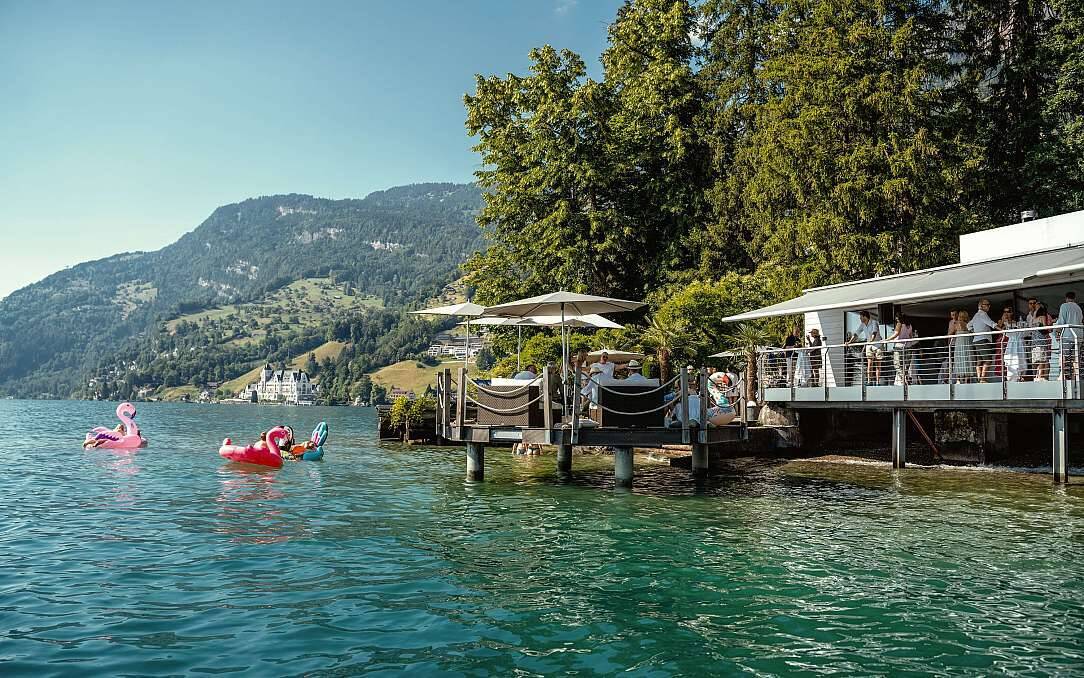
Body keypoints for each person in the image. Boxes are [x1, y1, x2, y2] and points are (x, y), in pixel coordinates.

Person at [847, 311, 882, 385]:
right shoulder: (862, 325)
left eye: (861, 317)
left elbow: (874, 333)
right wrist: (849, 342)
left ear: (865, 317)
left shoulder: (874, 322)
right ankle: (869, 381)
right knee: (869, 364)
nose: (860, 319)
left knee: (878, 365)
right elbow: (856, 334)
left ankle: (878, 382)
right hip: (869, 345)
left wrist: (871, 340)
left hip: (877, 345)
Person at [968, 299, 998, 382]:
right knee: (988, 360)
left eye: (989, 304)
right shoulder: (983, 314)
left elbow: (968, 326)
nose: (989, 306)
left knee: (980, 360)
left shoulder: (976, 315)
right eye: (987, 304)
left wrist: (975, 332)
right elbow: (991, 323)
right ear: (981, 306)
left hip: (976, 340)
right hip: (983, 339)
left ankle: (979, 379)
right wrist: (1002, 330)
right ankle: (983, 378)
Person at [1056, 291, 1082, 380]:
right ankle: (1076, 376)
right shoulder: (1078, 308)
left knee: (1063, 355)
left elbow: (1061, 321)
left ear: (1066, 298)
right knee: (1076, 357)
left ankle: (1062, 375)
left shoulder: (1064, 306)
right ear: (1074, 298)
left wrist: (1057, 332)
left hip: (1067, 335)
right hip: (1078, 335)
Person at [886, 313, 915, 385]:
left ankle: (903, 379)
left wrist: (886, 340)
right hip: (908, 347)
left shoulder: (899, 324)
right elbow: (911, 337)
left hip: (899, 347)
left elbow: (896, 334)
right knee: (906, 365)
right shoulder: (909, 325)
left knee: (897, 364)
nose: (896, 319)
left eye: (897, 318)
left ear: (899, 318)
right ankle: (905, 379)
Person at [1030, 303, 1052, 381]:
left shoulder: (1034, 319)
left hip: (1034, 342)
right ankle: (1040, 376)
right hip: (1041, 341)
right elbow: (1045, 328)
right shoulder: (1042, 317)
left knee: (1036, 361)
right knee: (1042, 360)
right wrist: (1051, 326)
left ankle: (1036, 377)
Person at [953, 310, 975, 383]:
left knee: (959, 359)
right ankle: (967, 380)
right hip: (967, 343)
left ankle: (959, 379)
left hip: (959, 343)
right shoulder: (969, 324)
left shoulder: (957, 324)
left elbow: (950, 333)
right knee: (967, 358)